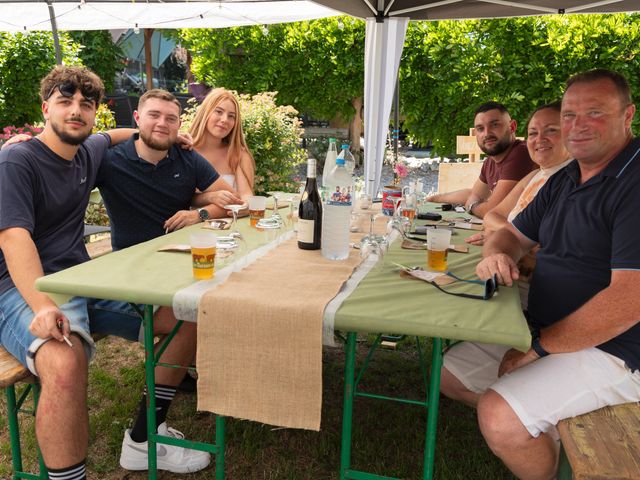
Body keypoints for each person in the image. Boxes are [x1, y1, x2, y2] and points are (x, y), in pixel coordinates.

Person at [0, 66, 210, 480]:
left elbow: (113, 136)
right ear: (46, 108)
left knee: (188, 313)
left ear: (95, 113)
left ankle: (144, 438)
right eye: (65, 102)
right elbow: (13, 239)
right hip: (23, 286)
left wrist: (165, 134)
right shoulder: (16, 160)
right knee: (63, 359)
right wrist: (42, 305)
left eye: (86, 104)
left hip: (83, 278)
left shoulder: (87, 151)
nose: (76, 111)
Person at [440, 69, 640, 480]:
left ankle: (540, 458)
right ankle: (544, 431)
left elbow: (628, 302)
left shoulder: (634, 182)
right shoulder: (566, 177)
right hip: (546, 327)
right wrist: (496, 254)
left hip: (618, 350)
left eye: (595, 112)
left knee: (499, 415)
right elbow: (511, 233)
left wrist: (536, 352)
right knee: (448, 375)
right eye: (569, 115)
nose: (577, 125)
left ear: (628, 116)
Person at [96, 89, 242, 251]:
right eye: (154, 115)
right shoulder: (110, 160)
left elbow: (234, 202)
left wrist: (199, 215)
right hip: (130, 261)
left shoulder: (187, 158)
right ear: (137, 118)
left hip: (181, 254)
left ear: (179, 125)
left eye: (171, 119)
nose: (162, 123)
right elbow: (83, 147)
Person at [465, 101, 573, 308]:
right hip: (507, 269)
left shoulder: (572, 179)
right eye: (532, 133)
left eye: (551, 130)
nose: (539, 139)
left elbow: (546, 247)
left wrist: (513, 239)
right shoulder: (536, 174)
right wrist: (510, 237)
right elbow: (492, 216)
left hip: (532, 288)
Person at [427, 101, 536, 218]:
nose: (487, 133)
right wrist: (434, 198)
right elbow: (474, 194)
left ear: (512, 127)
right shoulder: (490, 161)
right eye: (480, 128)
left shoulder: (521, 154)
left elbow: (492, 211)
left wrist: (472, 207)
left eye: (495, 125)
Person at [189, 88, 255, 205]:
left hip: (233, 221)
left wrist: (246, 205)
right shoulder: (186, 151)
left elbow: (246, 196)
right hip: (191, 222)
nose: (225, 120)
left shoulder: (239, 154)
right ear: (205, 113)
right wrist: (209, 197)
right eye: (218, 112)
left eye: (231, 116)